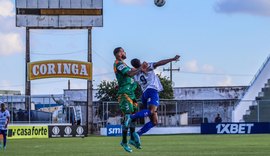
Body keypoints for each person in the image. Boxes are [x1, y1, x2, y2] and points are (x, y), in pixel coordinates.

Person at [126, 55, 180, 147]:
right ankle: (131, 117)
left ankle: (137, 135)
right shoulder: (146, 66)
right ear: (140, 62)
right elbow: (159, 63)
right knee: (151, 111)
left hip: (144, 95)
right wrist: (172, 59)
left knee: (154, 121)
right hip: (152, 91)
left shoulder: (135, 74)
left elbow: (129, 80)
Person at [113, 47, 145, 153]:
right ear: (118, 54)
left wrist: (141, 68)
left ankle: (131, 139)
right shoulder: (118, 63)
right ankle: (124, 142)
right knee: (127, 117)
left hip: (131, 94)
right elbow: (130, 74)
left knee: (133, 118)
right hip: (124, 94)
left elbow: (131, 73)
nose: (124, 52)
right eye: (122, 51)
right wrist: (141, 68)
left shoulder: (124, 64)